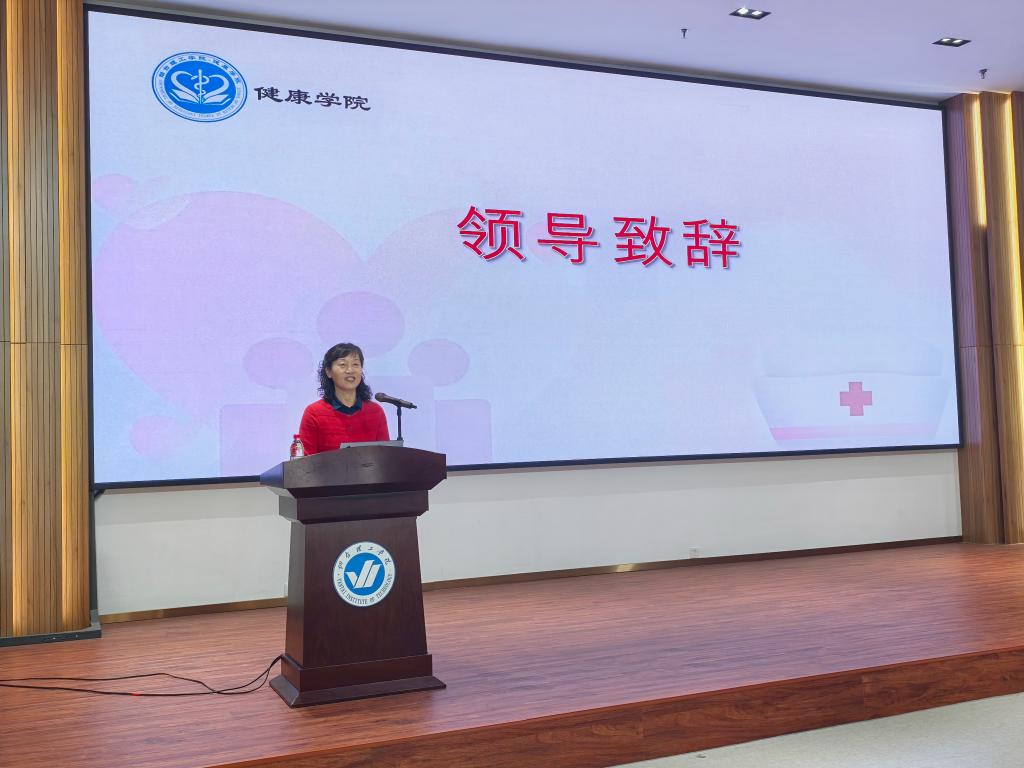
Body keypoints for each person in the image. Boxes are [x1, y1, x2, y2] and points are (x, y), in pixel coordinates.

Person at [297, 342, 389, 455]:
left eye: (355, 364)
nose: (350, 370)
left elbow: (385, 457)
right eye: (343, 365)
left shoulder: (375, 411)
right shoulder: (314, 413)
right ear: (328, 372)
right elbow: (305, 461)